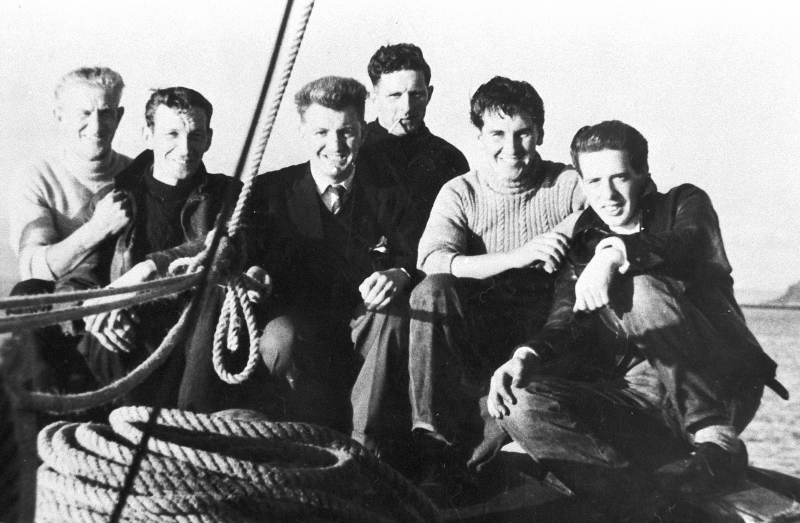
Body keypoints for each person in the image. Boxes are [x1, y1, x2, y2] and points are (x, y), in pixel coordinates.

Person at [487, 120, 785, 521]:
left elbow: (691, 243)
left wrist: (615, 255)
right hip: (641, 398)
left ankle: (718, 441)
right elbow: (564, 318)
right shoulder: (584, 240)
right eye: (594, 181)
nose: (607, 194)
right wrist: (526, 355)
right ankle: (644, 505)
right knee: (518, 400)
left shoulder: (683, 204)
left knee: (639, 286)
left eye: (619, 177)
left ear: (643, 174)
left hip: (719, 384)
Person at [408, 76, 584, 474]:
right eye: (497, 134)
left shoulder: (567, 182)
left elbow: (617, 204)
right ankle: (430, 432)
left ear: (540, 133)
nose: (512, 147)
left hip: (545, 331)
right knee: (431, 291)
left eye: (523, 133)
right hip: (480, 327)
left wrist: (565, 230)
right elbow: (432, 259)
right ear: (479, 137)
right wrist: (519, 256)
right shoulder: (461, 191)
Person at [241, 77, 413, 454]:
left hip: (365, 333)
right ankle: (298, 447)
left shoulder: (391, 193)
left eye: (346, 132)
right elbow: (247, 257)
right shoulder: (268, 192)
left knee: (393, 315)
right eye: (321, 132)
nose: (335, 146)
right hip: (299, 336)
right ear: (303, 132)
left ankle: (365, 451)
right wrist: (255, 275)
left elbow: (413, 256)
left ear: (362, 132)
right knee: (280, 338)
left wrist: (398, 274)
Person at [57, 86, 241, 406]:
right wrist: (94, 314)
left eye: (195, 136)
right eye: (172, 134)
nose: (185, 148)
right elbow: (75, 282)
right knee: (99, 324)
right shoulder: (115, 202)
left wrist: (149, 268)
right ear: (148, 134)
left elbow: (229, 242)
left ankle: (189, 423)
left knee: (213, 291)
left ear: (209, 139)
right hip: (128, 346)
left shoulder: (227, 195)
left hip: (195, 345)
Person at [5, 67, 132, 393]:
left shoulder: (136, 173)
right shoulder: (36, 177)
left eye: (106, 113)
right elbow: (34, 270)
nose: (97, 126)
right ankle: (41, 407)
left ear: (119, 116)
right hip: (59, 319)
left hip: (120, 311)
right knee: (28, 293)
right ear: (59, 116)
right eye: (84, 113)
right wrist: (98, 228)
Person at [359, 43, 469, 265]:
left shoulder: (449, 158)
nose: (407, 107)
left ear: (430, 94)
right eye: (394, 95)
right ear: (373, 97)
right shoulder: (353, 151)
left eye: (416, 94)